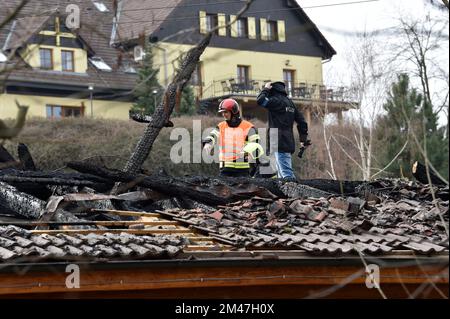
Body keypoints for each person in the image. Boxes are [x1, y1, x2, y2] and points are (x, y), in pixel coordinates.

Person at [256, 81, 309, 179]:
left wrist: (266, 89)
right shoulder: (290, 103)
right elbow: (302, 122)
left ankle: (295, 193)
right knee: (280, 173)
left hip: (277, 141)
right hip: (287, 141)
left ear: (273, 89)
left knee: (286, 174)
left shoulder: (276, 101)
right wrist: (303, 140)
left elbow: (260, 100)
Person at [203, 98, 261, 177]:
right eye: (222, 112)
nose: (223, 114)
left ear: (234, 112)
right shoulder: (221, 126)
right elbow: (213, 135)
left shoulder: (249, 127)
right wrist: (208, 143)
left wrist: (249, 153)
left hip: (242, 171)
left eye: (225, 112)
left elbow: (255, 144)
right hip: (225, 170)